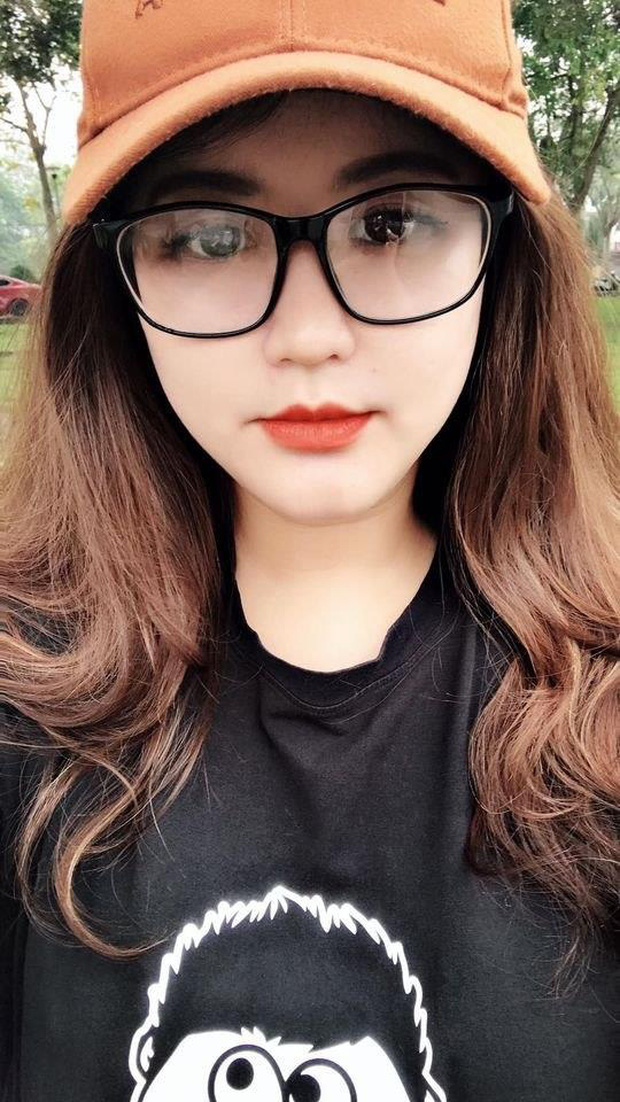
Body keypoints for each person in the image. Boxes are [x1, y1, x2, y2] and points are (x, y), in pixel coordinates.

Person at [1, 1, 618, 1100]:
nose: (307, 336)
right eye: (209, 234)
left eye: (390, 222)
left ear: (503, 254)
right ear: (117, 284)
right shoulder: (18, 700)